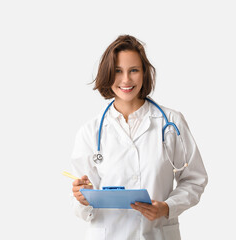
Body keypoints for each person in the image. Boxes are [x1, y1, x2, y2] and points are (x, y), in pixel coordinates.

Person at [70, 35, 208, 240]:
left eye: (133, 70)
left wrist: (167, 207)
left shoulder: (171, 123)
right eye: (118, 71)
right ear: (108, 74)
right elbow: (81, 207)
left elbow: (195, 180)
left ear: (144, 73)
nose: (126, 80)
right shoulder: (90, 132)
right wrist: (83, 198)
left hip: (156, 234)